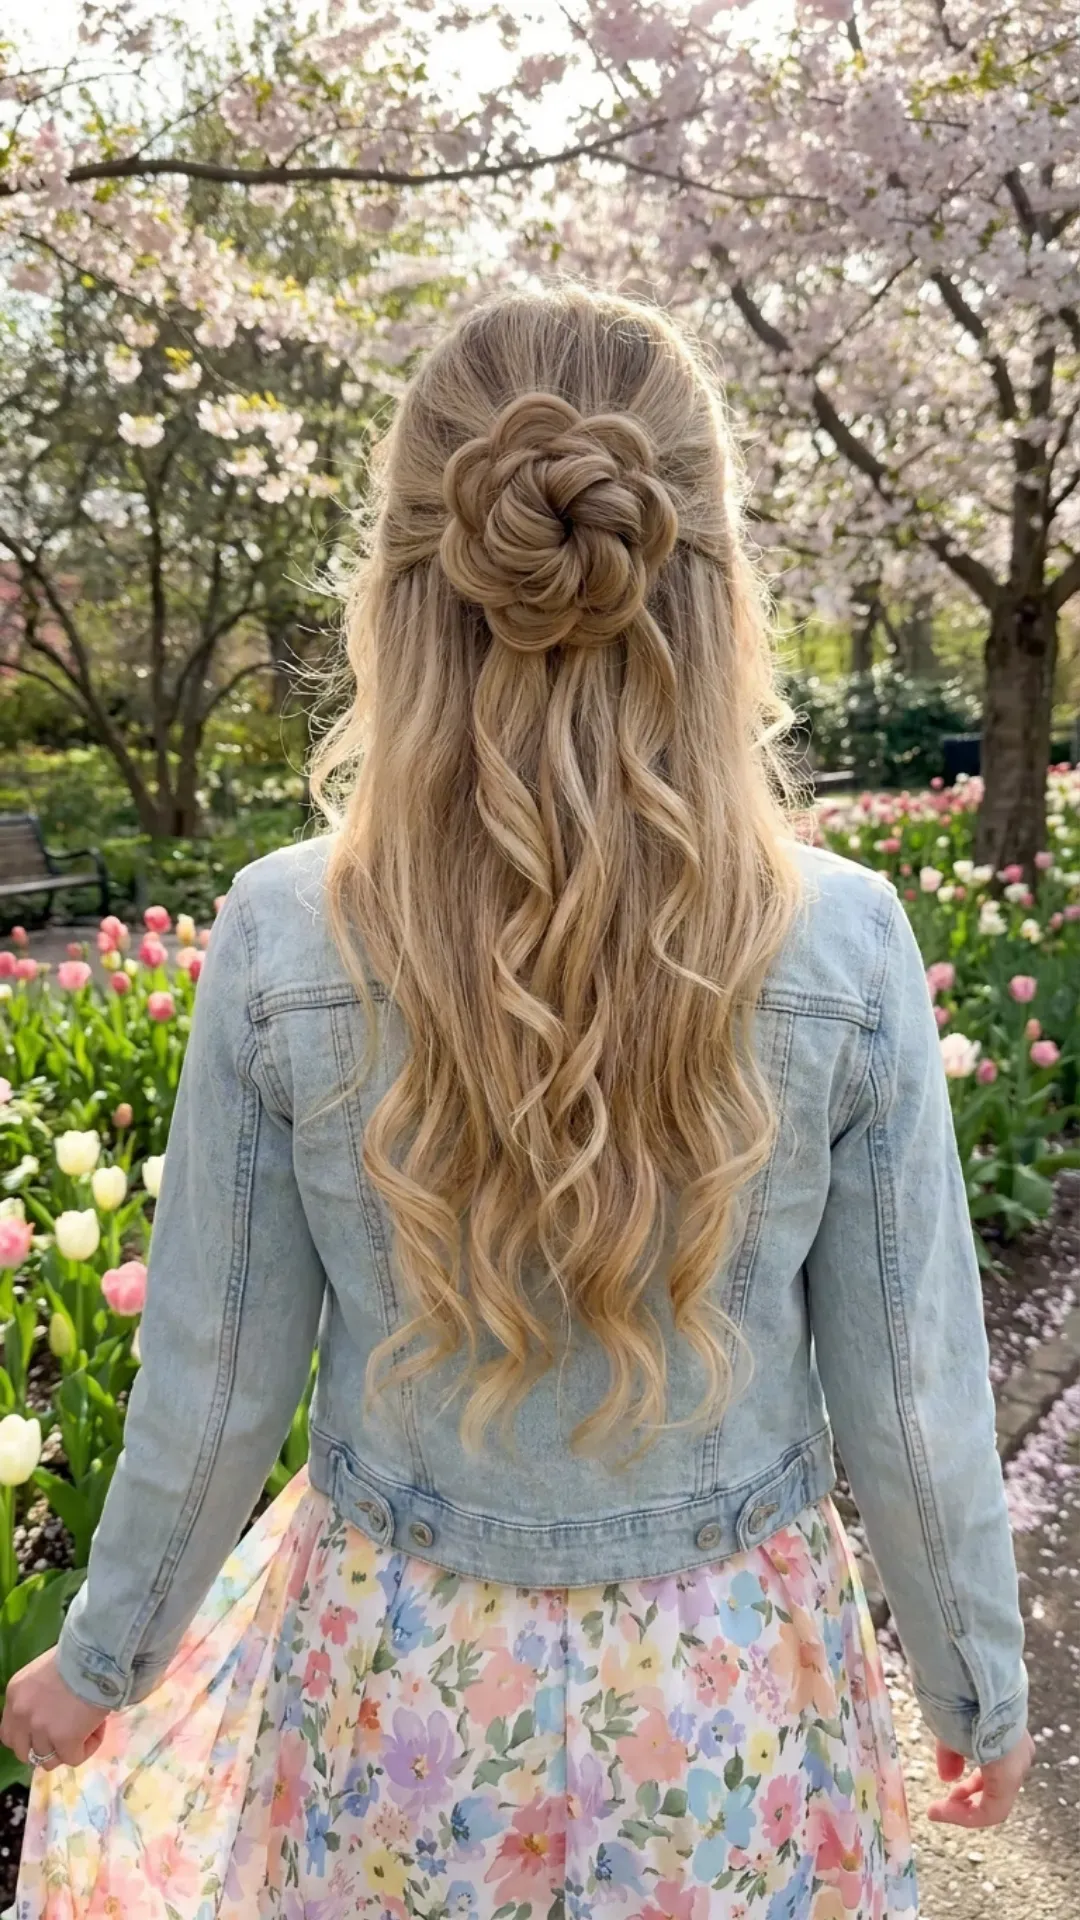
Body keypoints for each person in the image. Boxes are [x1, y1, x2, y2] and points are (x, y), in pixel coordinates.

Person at [1, 286, 1031, 1919]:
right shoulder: (840, 939)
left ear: (404, 586)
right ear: (712, 590)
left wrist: (104, 1655)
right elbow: (910, 1394)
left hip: (400, 1686)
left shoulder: (284, 935)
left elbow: (213, 1382)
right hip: (731, 1696)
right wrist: (979, 1689)